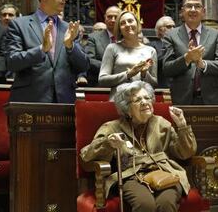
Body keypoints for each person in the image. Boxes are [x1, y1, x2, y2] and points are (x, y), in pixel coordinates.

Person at [80, 80, 196, 212]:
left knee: (166, 203)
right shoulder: (112, 127)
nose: (145, 102)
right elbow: (86, 156)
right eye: (137, 100)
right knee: (145, 205)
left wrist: (182, 126)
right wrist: (108, 143)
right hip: (130, 176)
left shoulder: (162, 124)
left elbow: (186, 152)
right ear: (127, 109)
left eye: (147, 98)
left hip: (164, 172)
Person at [4, 0, 89, 103]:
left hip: (64, 102)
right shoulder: (19, 25)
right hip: (29, 101)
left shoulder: (69, 29)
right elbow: (11, 62)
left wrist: (70, 46)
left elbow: (83, 66)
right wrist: (41, 49)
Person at [162, 0, 218, 105]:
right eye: (189, 6)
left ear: (203, 11)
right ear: (182, 11)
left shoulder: (215, 35)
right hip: (182, 100)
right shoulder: (171, 35)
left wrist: (202, 64)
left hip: (211, 100)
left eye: (197, 6)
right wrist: (187, 58)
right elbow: (167, 68)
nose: (193, 10)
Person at [99, 10, 157, 100]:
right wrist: (128, 74)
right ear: (120, 29)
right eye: (122, 23)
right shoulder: (112, 48)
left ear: (137, 24)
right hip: (119, 101)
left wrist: (144, 74)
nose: (127, 24)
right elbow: (102, 80)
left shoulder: (150, 51)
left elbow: (154, 83)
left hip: (143, 101)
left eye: (130, 21)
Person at [85, 6, 121, 86]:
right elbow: (89, 59)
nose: (113, 20)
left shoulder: (126, 37)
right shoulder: (94, 37)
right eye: (109, 17)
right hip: (99, 84)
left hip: (123, 83)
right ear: (105, 18)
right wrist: (112, 68)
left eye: (116, 17)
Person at [149, 16, 175, 88]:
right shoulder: (153, 45)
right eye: (169, 26)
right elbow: (154, 63)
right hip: (161, 85)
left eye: (174, 26)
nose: (173, 29)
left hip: (178, 86)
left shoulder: (179, 44)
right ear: (160, 29)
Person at [0, 4, 19, 83]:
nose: (7, 17)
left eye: (10, 15)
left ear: (17, 17)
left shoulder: (23, 31)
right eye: (4, 15)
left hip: (17, 72)